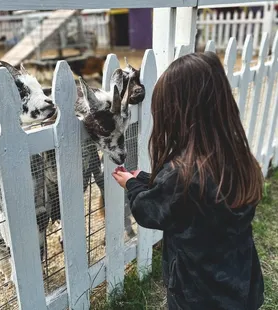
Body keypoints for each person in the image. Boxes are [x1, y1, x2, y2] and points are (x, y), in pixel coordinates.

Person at [112, 52, 264, 310]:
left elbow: (150, 210)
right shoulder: (235, 158)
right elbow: (187, 198)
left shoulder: (180, 177)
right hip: (240, 285)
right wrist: (148, 179)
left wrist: (133, 184)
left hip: (197, 295)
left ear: (179, 114)